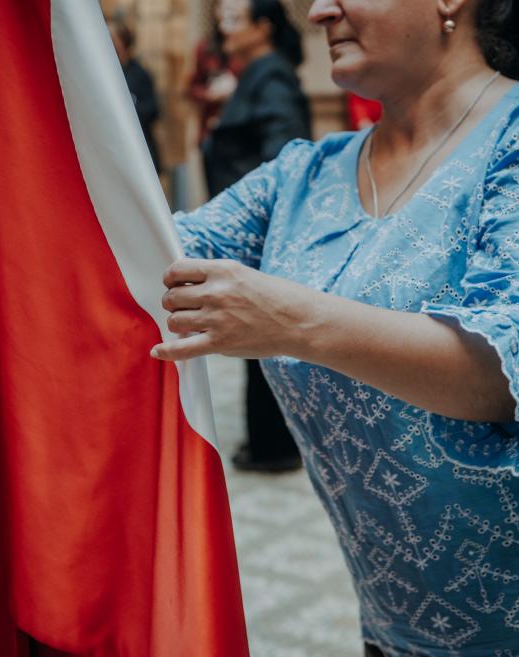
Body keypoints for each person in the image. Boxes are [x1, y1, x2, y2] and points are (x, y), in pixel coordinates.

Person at [154, 0, 519, 654]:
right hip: (403, 636)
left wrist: (292, 321)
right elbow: (143, 258)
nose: (317, 11)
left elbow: (518, 368)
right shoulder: (300, 178)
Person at [203, 0, 309, 472]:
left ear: (263, 28)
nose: (225, 27)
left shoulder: (272, 76)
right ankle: (267, 443)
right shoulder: (255, 73)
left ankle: (274, 448)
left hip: (259, 240)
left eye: (235, 19)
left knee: (262, 340)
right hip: (246, 241)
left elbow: (283, 158)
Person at [109, 19, 162, 173]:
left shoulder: (139, 74)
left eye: (113, 39)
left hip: (137, 152)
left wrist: (126, 109)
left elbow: (152, 110)